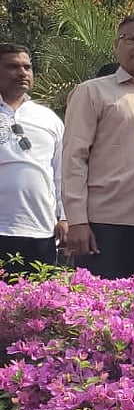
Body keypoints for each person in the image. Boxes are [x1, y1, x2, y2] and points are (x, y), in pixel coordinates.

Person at [63, 14, 134, 278]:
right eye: (133, 39)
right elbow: (73, 158)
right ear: (117, 45)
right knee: (102, 310)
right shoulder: (92, 92)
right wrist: (77, 221)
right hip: (106, 224)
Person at [0, 42, 65, 273]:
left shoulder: (48, 119)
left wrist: (65, 217)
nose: (22, 73)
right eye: (12, 67)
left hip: (40, 231)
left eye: (27, 67)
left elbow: (61, 173)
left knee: (38, 305)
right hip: (2, 229)